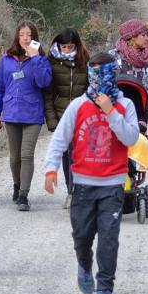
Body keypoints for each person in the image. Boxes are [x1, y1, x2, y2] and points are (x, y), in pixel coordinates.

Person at [43, 53, 140, 294]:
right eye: (94, 72)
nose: (99, 78)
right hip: (83, 184)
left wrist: (110, 112)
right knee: (82, 236)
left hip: (113, 184)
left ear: (113, 73)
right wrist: (50, 169)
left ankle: (105, 288)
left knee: (109, 239)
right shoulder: (78, 105)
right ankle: (84, 264)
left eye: (104, 72)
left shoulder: (126, 105)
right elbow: (60, 139)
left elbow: (131, 139)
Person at [0, 21, 53, 212]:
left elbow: (44, 82)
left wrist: (34, 59)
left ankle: (24, 195)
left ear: (35, 38)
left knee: (27, 155)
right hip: (11, 113)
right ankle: (17, 186)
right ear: (17, 37)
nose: (26, 38)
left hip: (32, 114)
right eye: (22, 34)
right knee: (14, 157)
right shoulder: (6, 59)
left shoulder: (41, 59)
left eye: (29, 35)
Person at [43, 28, 91, 210]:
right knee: (67, 154)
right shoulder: (51, 61)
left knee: (80, 154)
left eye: (71, 46)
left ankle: (79, 190)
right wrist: (52, 121)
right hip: (61, 115)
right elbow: (48, 94)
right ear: (58, 45)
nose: (67, 50)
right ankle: (72, 192)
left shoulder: (85, 60)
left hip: (81, 114)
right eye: (64, 46)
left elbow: (90, 88)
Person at [109, 19, 148, 134]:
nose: (147, 38)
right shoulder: (113, 57)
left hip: (141, 109)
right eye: (143, 35)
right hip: (117, 110)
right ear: (132, 37)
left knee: (138, 147)